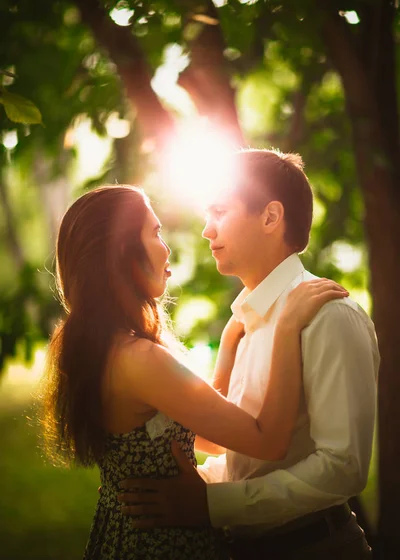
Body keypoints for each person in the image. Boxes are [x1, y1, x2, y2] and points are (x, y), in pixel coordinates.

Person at [40, 183, 347, 560]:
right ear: (122, 252)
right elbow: (267, 441)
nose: (166, 248)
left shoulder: (108, 347)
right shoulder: (139, 359)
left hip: (132, 531)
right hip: (160, 544)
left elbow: (209, 432)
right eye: (154, 232)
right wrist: (285, 330)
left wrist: (230, 339)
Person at [119, 150, 380, 560]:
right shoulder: (243, 323)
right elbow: (245, 460)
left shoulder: (331, 317)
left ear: (271, 218)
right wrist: (181, 486)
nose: (207, 230)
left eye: (220, 212)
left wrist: (212, 505)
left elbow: (343, 467)